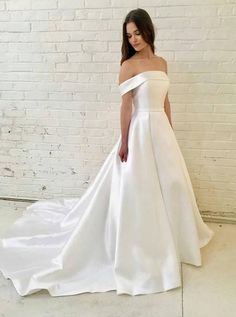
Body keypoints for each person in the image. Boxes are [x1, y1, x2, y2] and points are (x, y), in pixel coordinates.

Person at [0, 8, 214, 297]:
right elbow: (127, 106)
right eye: (129, 35)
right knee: (140, 190)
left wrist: (171, 131)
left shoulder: (162, 63)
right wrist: (124, 141)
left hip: (161, 131)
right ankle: (142, 244)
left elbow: (166, 100)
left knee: (171, 184)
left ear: (148, 30)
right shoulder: (128, 65)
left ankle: (173, 238)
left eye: (138, 32)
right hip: (139, 131)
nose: (134, 39)